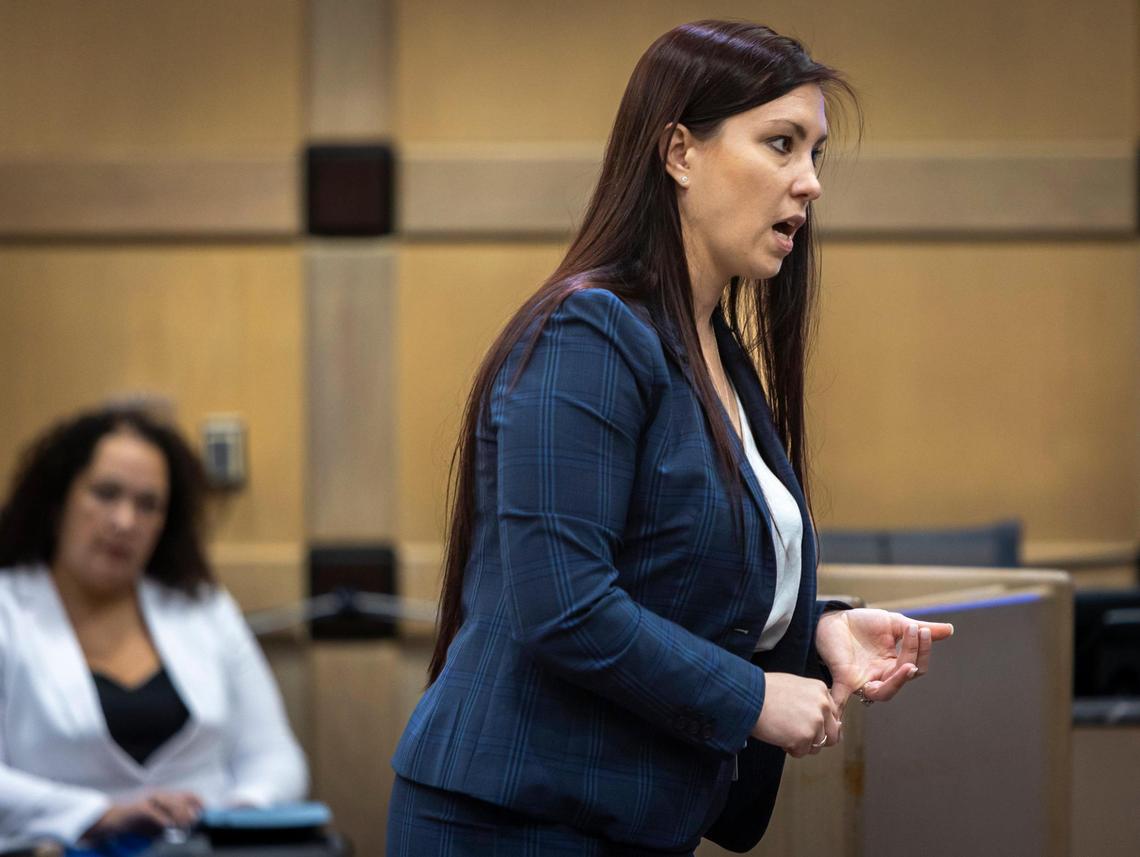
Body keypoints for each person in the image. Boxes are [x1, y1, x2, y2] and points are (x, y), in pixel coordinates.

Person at [389, 19, 954, 855]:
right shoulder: (591, 328)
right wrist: (756, 696)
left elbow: (670, 572)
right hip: (515, 817)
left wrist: (816, 629)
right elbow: (567, 605)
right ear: (680, 153)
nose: (809, 184)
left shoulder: (715, 349)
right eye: (781, 144)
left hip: (624, 817)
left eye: (816, 154)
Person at [0, 406, 307, 851]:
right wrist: (100, 815)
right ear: (56, 501)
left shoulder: (203, 607)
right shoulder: (8, 608)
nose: (125, 521)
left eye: (148, 504)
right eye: (106, 494)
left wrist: (238, 814)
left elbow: (277, 757)